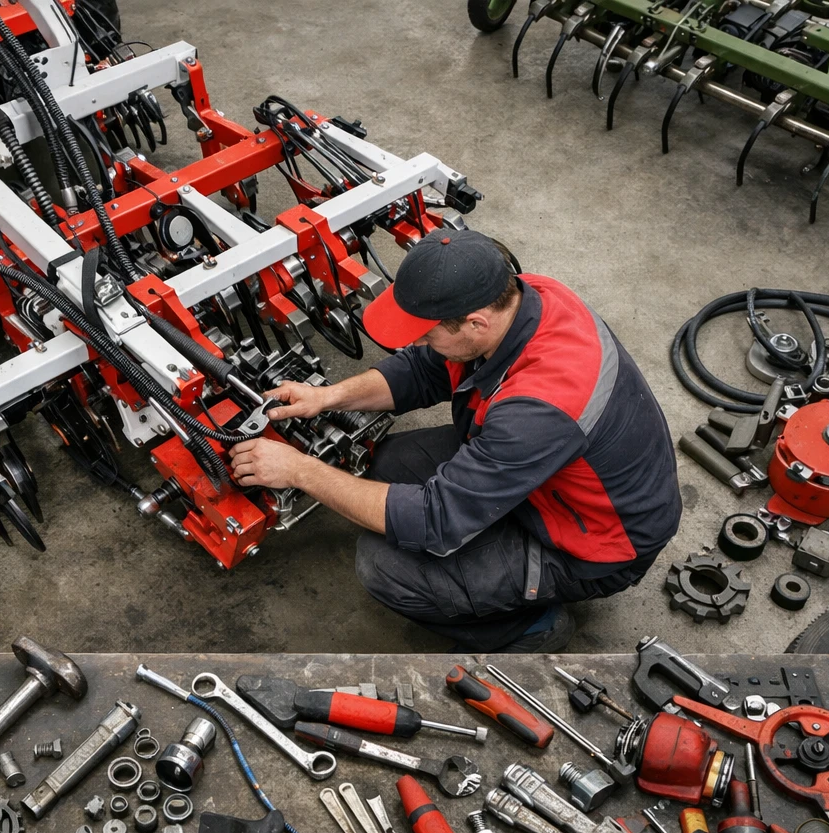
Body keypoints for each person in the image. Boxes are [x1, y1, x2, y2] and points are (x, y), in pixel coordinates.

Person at [229, 228, 680, 652]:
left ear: (476, 324)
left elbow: (434, 521)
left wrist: (300, 470)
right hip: (555, 482)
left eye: (427, 331)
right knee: (392, 460)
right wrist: (327, 397)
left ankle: (532, 629)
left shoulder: (541, 406)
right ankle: (495, 555)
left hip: (595, 542)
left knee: (385, 568)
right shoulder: (526, 296)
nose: (422, 341)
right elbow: (424, 369)